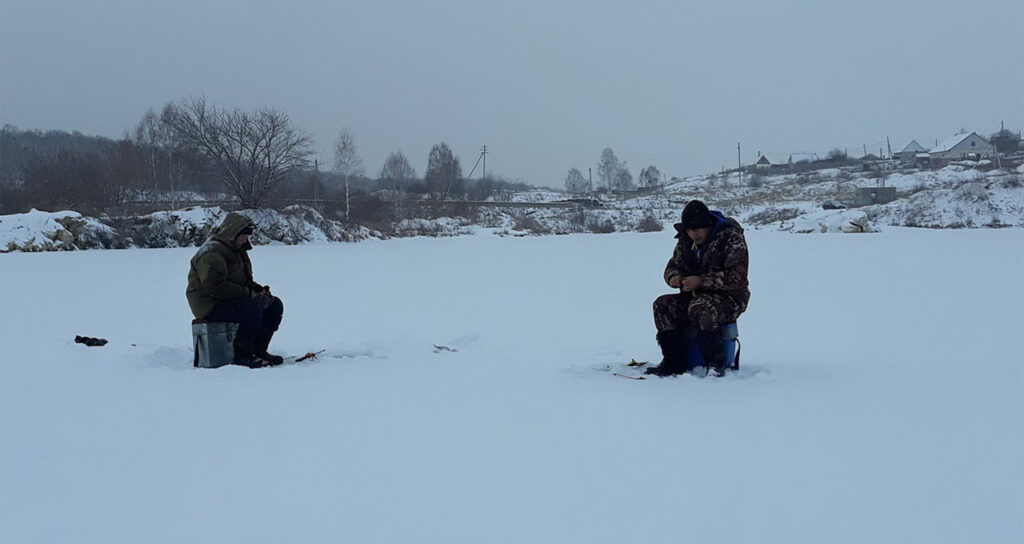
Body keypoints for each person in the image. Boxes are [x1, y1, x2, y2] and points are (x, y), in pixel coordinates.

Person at [646, 200, 750, 377]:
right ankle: (673, 362)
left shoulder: (731, 238)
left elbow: (737, 276)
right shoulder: (685, 241)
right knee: (662, 305)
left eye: (698, 229)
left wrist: (701, 281)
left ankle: (715, 363)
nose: (693, 234)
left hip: (730, 298)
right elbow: (672, 266)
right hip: (693, 296)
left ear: (708, 225)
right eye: (689, 230)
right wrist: (673, 277)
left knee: (700, 307)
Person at [186, 212, 284, 368]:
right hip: (209, 304)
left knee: (274, 305)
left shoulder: (237, 251)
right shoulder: (212, 253)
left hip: (229, 298)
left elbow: (244, 281)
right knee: (252, 308)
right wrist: (249, 294)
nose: (246, 239)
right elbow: (215, 288)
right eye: (243, 235)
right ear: (233, 234)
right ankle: (242, 356)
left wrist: (258, 290)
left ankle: (258, 350)